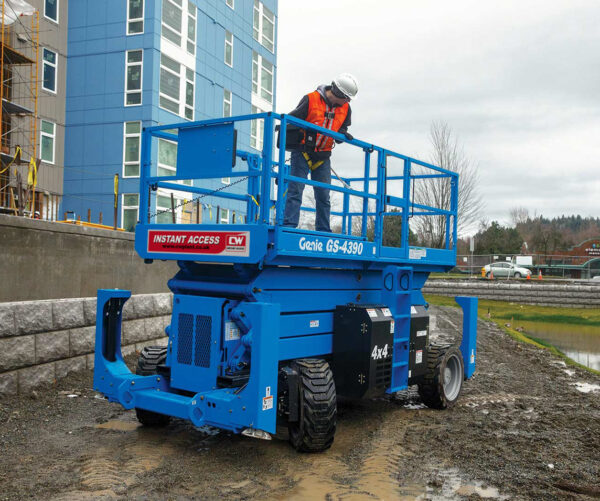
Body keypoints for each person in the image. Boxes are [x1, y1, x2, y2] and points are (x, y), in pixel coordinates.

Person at [283, 73, 358, 233]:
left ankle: (323, 230)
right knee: (296, 189)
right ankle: (289, 227)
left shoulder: (346, 108)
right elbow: (291, 119)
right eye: (347, 98)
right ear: (338, 93)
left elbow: (343, 126)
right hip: (302, 152)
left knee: (324, 195)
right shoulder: (310, 99)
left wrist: (342, 133)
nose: (348, 102)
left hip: (323, 155)